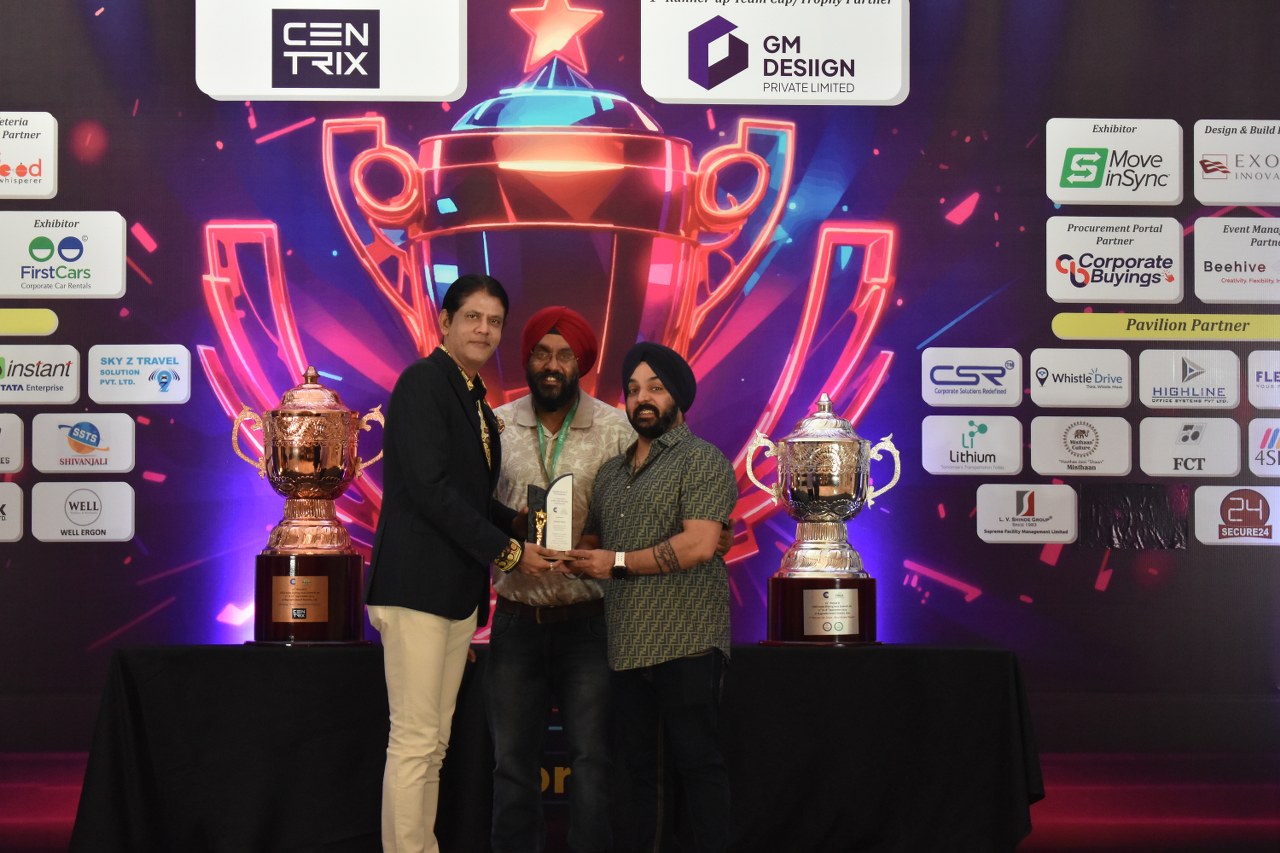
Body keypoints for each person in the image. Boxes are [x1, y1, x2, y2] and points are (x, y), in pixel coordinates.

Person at [365, 273, 561, 853]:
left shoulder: (470, 394)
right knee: (416, 741)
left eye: (494, 321)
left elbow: (466, 495)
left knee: (433, 743)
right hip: (416, 588)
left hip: (451, 594)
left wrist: (516, 523)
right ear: (445, 322)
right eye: (472, 317)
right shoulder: (423, 383)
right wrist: (509, 552)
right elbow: (429, 490)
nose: (484, 329)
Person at [563, 342, 738, 853]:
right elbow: (594, 542)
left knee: (699, 769)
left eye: (656, 389)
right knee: (641, 777)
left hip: (688, 643)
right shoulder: (611, 474)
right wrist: (559, 548)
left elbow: (699, 545)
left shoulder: (702, 460)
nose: (642, 399)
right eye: (634, 389)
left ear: (677, 397)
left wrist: (615, 562)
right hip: (627, 648)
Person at [486, 306, 635, 853]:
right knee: (510, 764)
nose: (553, 365)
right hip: (515, 622)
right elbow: (473, 511)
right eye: (542, 354)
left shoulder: (616, 428)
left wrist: (598, 542)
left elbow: (636, 516)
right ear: (528, 360)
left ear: (582, 363)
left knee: (592, 761)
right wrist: (511, 540)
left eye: (565, 356)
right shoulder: (495, 425)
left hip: (588, 622)